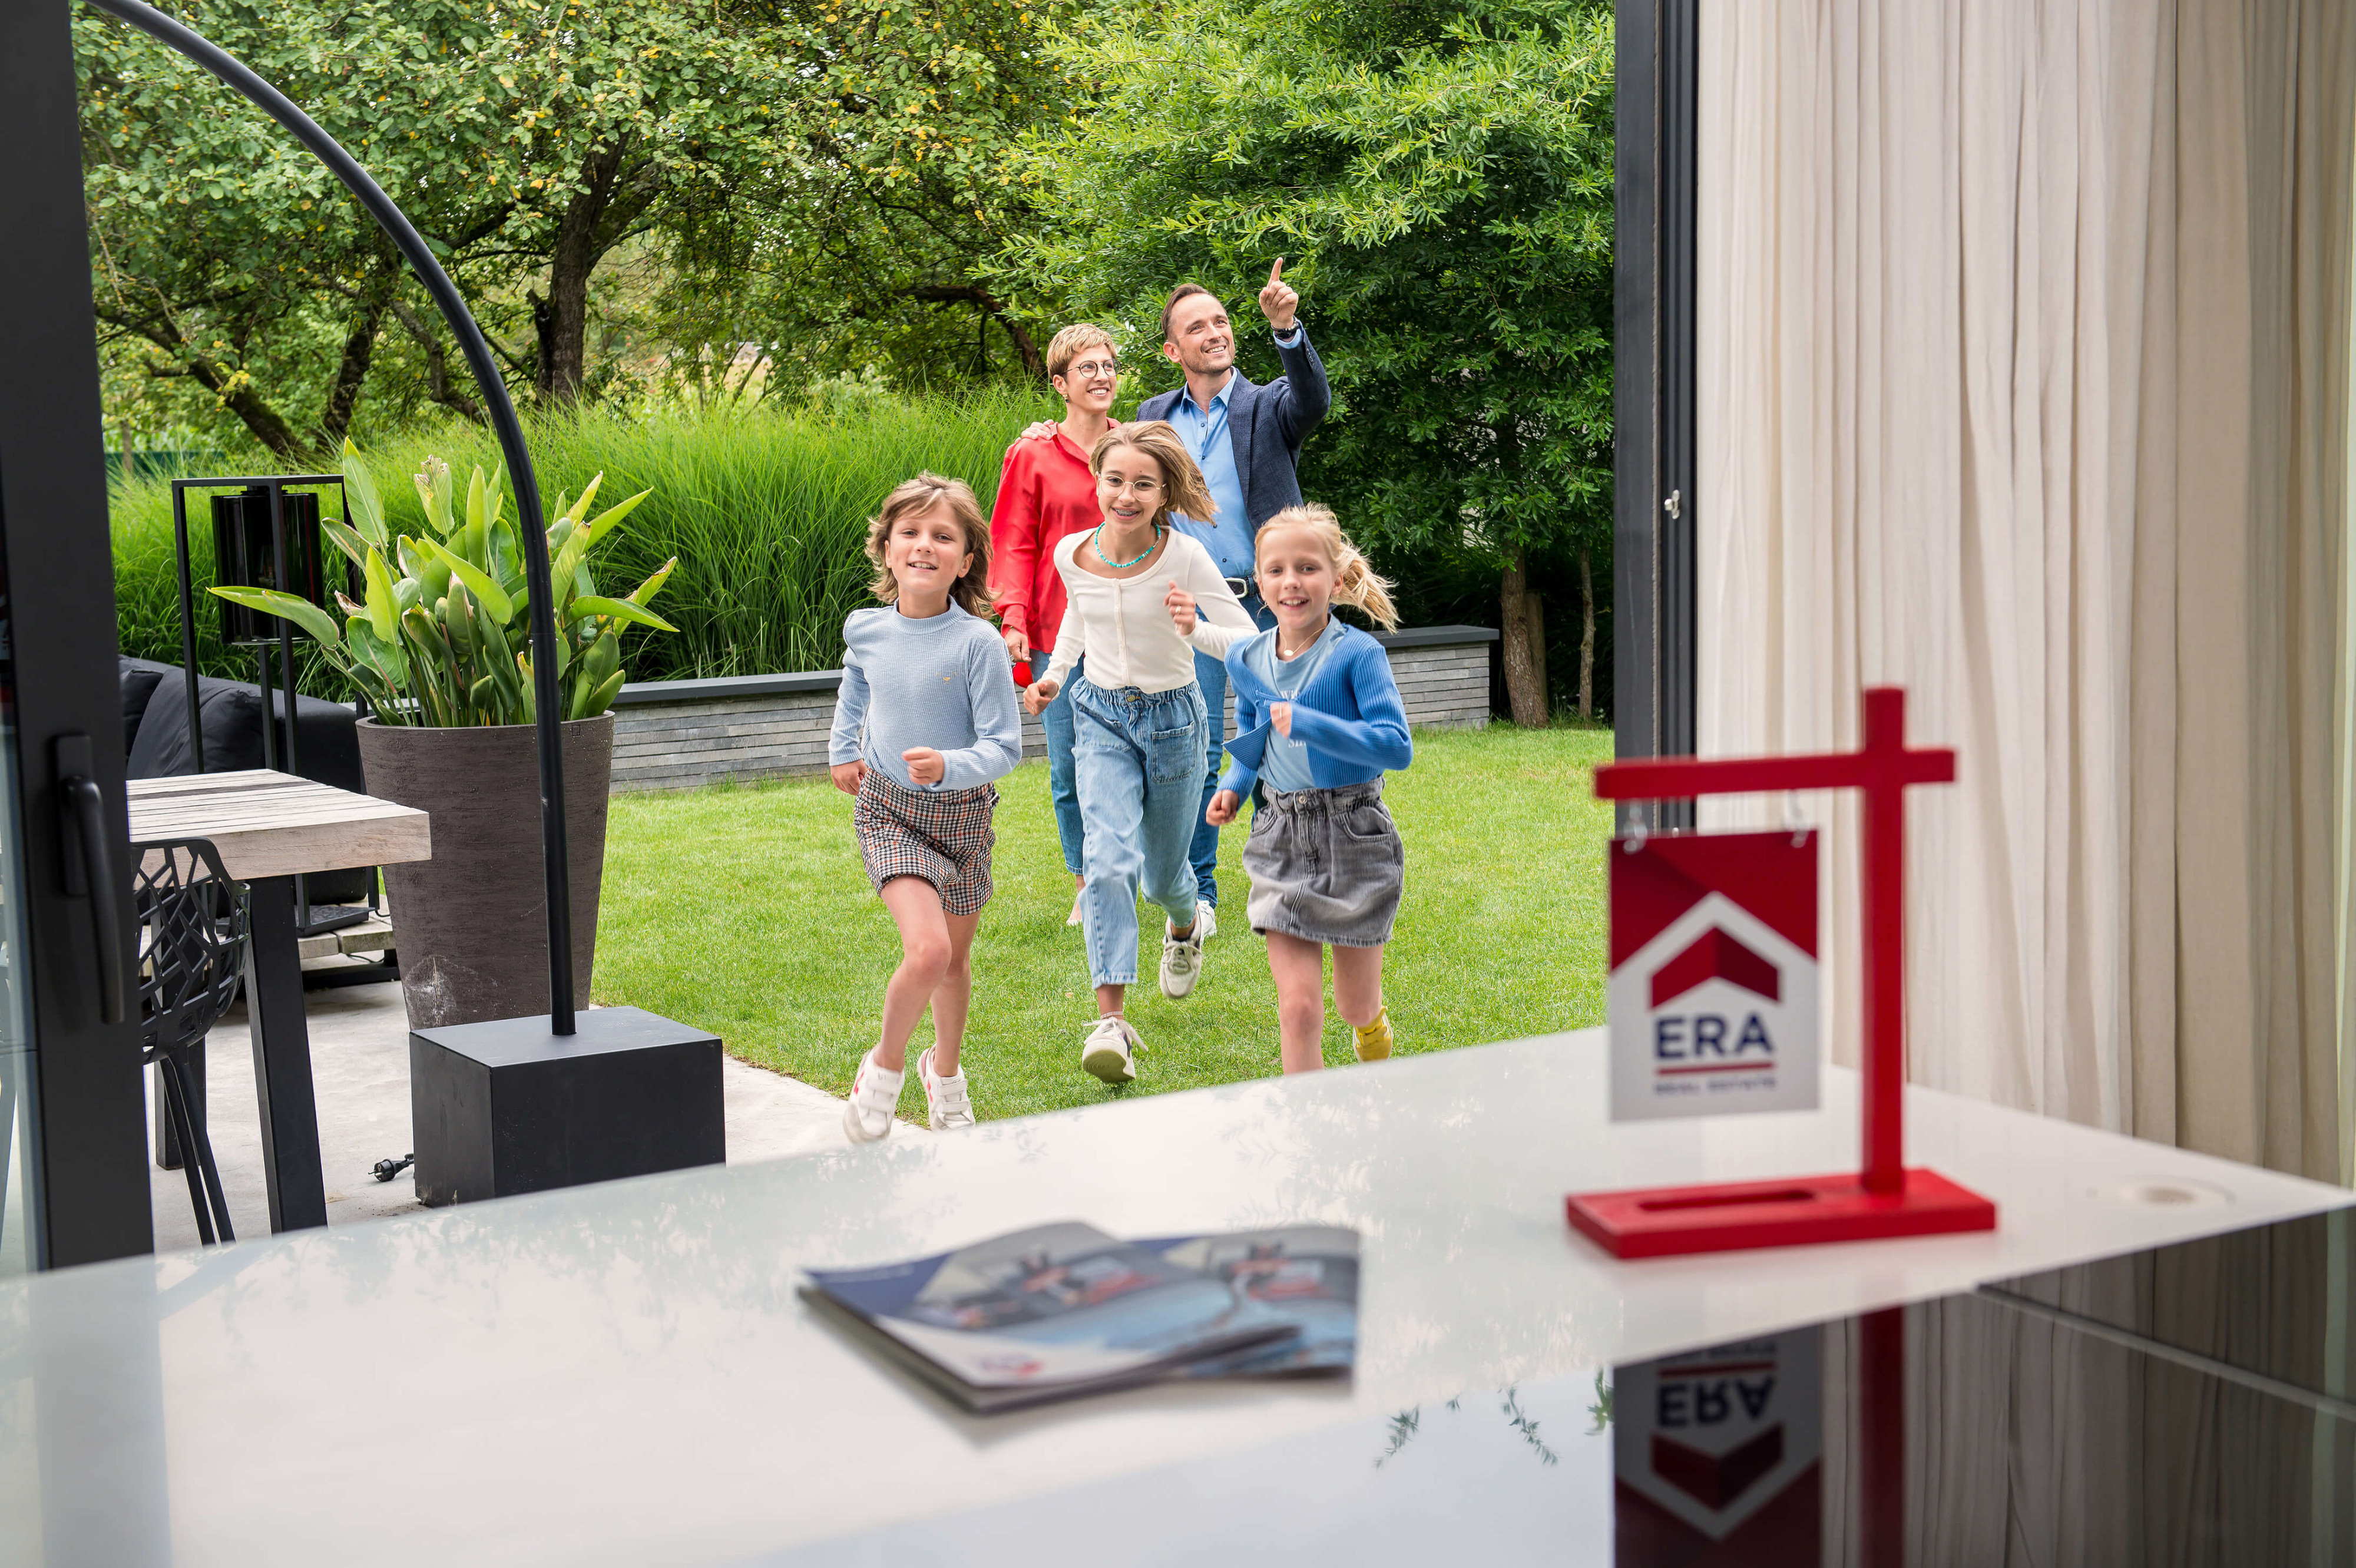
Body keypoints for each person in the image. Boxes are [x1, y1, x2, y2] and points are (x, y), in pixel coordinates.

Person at [1022, 422, 1258, 1086]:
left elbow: (1243, 640)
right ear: (1097, 480)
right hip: (1099, 714)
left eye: (1143, 485)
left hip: (1174, 721)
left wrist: (1195, 627)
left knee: (1161, 876)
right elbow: (1077, 614)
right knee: (1108, 859)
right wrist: (1055, 675)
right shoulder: (1074, 552)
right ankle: (1112, 1023)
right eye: (1115, 480)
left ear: (1163, 494)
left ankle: (1186, 923)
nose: (1125, 495)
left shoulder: (1185, 557)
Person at [1136, 261, 1332, 937]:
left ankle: (1299, 879)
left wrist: (1287, 328)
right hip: (1195, 608)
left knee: (1284, 736)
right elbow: (1117, 476)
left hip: (1272, 607)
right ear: (1173, 350)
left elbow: (1313, 401)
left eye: (1220, 321)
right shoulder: (1153, 417)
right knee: (1198, 745)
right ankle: (1201, 892)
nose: (1214, 332)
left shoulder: (1268, 404)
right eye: (1197, 327)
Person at [829, 474, 1024, 1142]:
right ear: (886, 548)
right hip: (889, 811)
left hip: (964, 820)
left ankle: (944, 1076)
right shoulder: (866, 629)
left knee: (954, 963)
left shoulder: (979, 644)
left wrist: (950, 767)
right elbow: (855, 685)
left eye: (943, 536)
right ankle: (881, 1073)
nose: (924, 545)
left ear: (965, 561)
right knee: (928, 950)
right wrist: (841, 750)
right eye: (909, 532)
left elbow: (1005, 746)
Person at [1208, 505, 1412, 1074]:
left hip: (1353, 833)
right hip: (1280, 837)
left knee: (1354, 1004)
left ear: (1337, 580)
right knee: (1298, 1010)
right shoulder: (1245, 657)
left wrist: (1311, 723)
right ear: (1260, 582)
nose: (1291, 581)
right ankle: (1310, 1141)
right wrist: (1233, 787)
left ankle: (1371, 1023)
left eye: (1307, 568)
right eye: (1275, 570)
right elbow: (1252, 737)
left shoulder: (1357, 654)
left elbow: (1397, 746)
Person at [988, 323, 1123, 929]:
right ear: (1060, 383)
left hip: (1130, 629)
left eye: (1108, 365)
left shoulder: (1135, 447)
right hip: (1055, 635)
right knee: (1069, 767)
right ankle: (1087, 881)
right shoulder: (1032, 453)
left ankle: (1125, 863)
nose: (1101, 375)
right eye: (1086, 367)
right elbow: (1012, 542)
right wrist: (1011, 618)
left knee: (1132, 757)